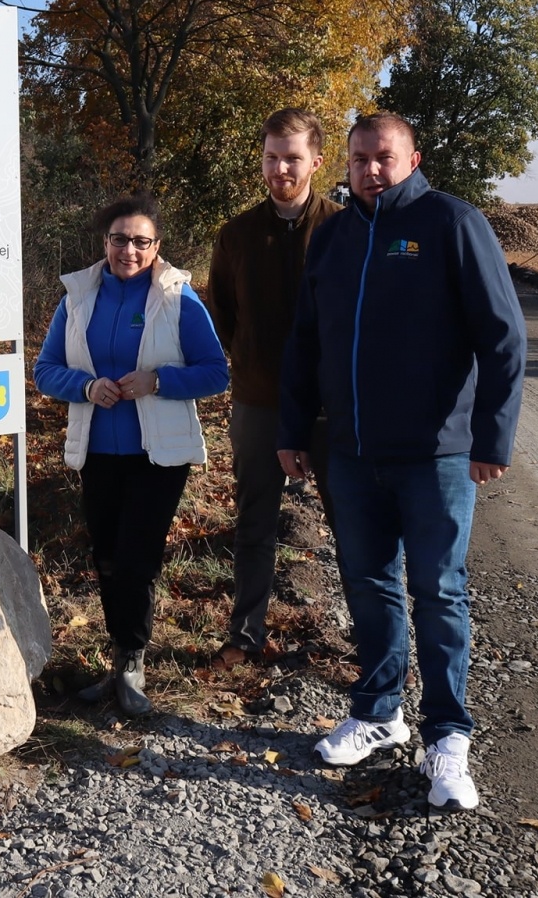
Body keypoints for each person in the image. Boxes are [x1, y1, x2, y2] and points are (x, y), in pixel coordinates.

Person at [277, 113, 525, 810]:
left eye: (383, 157)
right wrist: (294, 430)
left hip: (435, 455)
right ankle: (380, 713)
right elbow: (305, 342)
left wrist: (490, 438)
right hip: (351, 454)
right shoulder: (333, 236)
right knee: (368, 583)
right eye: (359, 159)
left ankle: (448, 736)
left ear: (413, 157)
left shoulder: (451, 224)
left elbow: (503, 337)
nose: (370, 170)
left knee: (439, 591)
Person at [34, 194, 228, 716]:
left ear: (156, 246)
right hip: (97, 448)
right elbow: (45, 369)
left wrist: (158, 380)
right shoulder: (77, 298)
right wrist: (86, 386)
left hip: (157, 454)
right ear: (106, 242)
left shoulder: (177, 298)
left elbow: (216, 371)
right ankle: (118, 660)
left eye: (142, 241)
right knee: (106, 557)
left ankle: (132, 662)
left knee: (137, 558)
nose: (129, 250)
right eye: (120, 239)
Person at [204, 108, 342, 667]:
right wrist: (255, 364)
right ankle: (245, 634)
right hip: (259, 401)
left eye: (292, 157)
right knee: (255, 521)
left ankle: (371, 641)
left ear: (315, 161)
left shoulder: (343, 229)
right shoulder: (236, 234)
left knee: (350, 523)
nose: (280, 167)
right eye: (271, 156)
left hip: (333, 407)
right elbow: (224, 316)